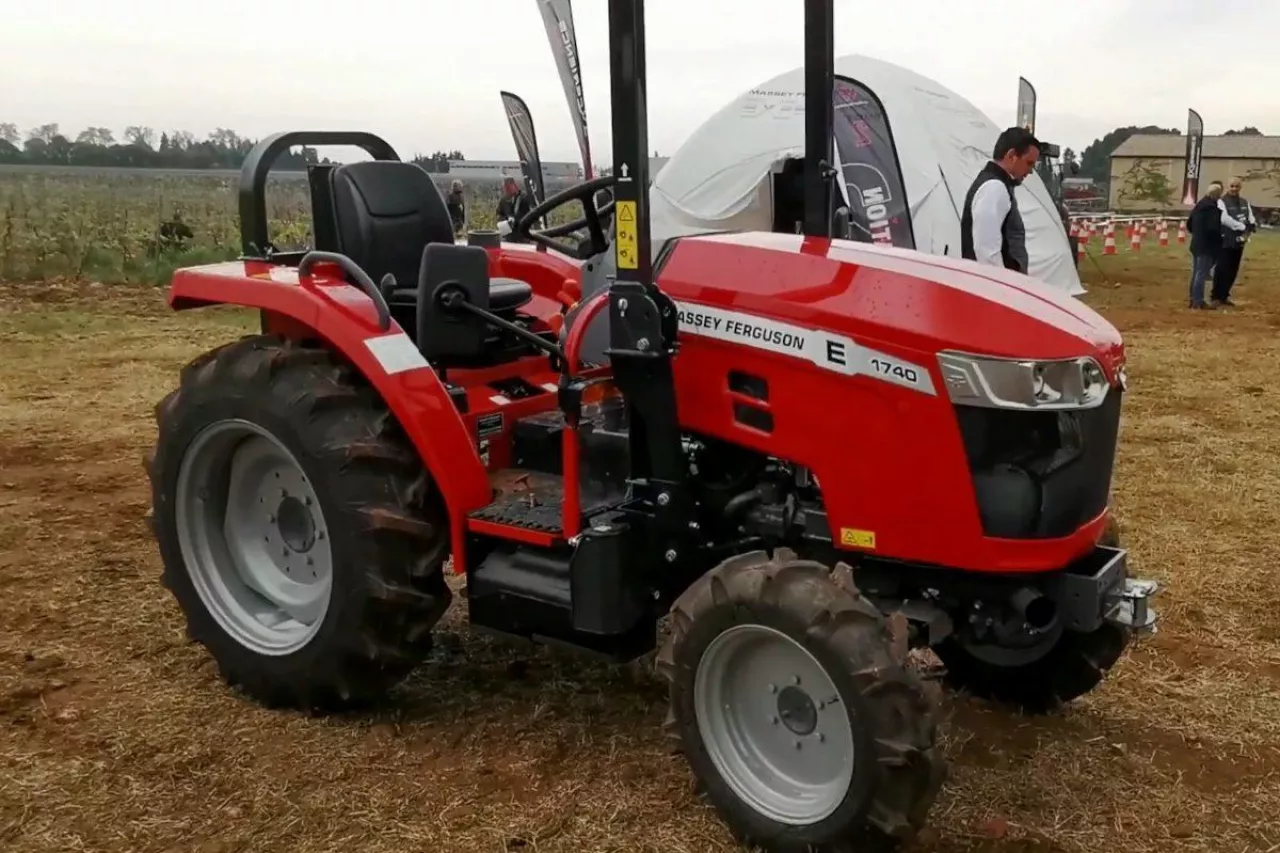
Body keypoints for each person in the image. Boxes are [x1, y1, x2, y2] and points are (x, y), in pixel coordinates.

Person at [960, 127, 1042, 273]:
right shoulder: (994, 188)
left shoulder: (996, 185)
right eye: (1029, 163)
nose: (1030, 171)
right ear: (1011, 156)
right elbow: (987, 253)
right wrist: (1003, 289)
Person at [1210, 176, 1258, 307]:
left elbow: (1250, 215)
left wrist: (1252, 224)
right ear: (1228, 187)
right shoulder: (1221, 202)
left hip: (1240, 241)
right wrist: (1242, 227)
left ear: (1240, 188)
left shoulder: (1244, 201)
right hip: (1226, 239)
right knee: (1222, 269)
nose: (1234, 189)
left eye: (1237, 186)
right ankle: (1215, 296)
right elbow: (1224, 219)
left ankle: (1225, 295)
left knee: (1233, 269)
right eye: (1232, 186)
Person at [1185, 181, 1223, 310]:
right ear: (1217, 196)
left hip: (1196, 244)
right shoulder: (1213, 210)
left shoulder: (1199, 206)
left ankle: (1193, 299)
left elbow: (1189, 224)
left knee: (1196, 273)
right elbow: (1214, 229)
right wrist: (1220, 239)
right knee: (1201, 274)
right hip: (1207, 246)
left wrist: (1197, 234)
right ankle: (1198, 301)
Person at [495, 176, 534, 242]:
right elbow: (499, 213)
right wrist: (505, 220)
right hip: (507, 235)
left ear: (514, 185)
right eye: (505, 188)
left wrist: (515, 220)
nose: (506, 191)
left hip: (522, 235)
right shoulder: (504, 200)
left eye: (508, 188)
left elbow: (528, 215)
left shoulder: (524, 198)